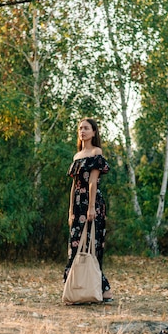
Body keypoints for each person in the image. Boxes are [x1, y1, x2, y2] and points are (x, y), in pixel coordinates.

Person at [63, 118, 114, 302]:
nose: (82, 131)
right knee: (75, 245)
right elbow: (73, 186)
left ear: (93, 132)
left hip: (92, 204)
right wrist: (71, 211)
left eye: (86, 128)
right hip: (77, 204)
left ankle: (101, 289)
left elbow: (92, 182)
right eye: (80, 128)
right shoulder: (77, 156)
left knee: (92, 244)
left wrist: (91, 208)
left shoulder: (96, 153)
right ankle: (78, 287)